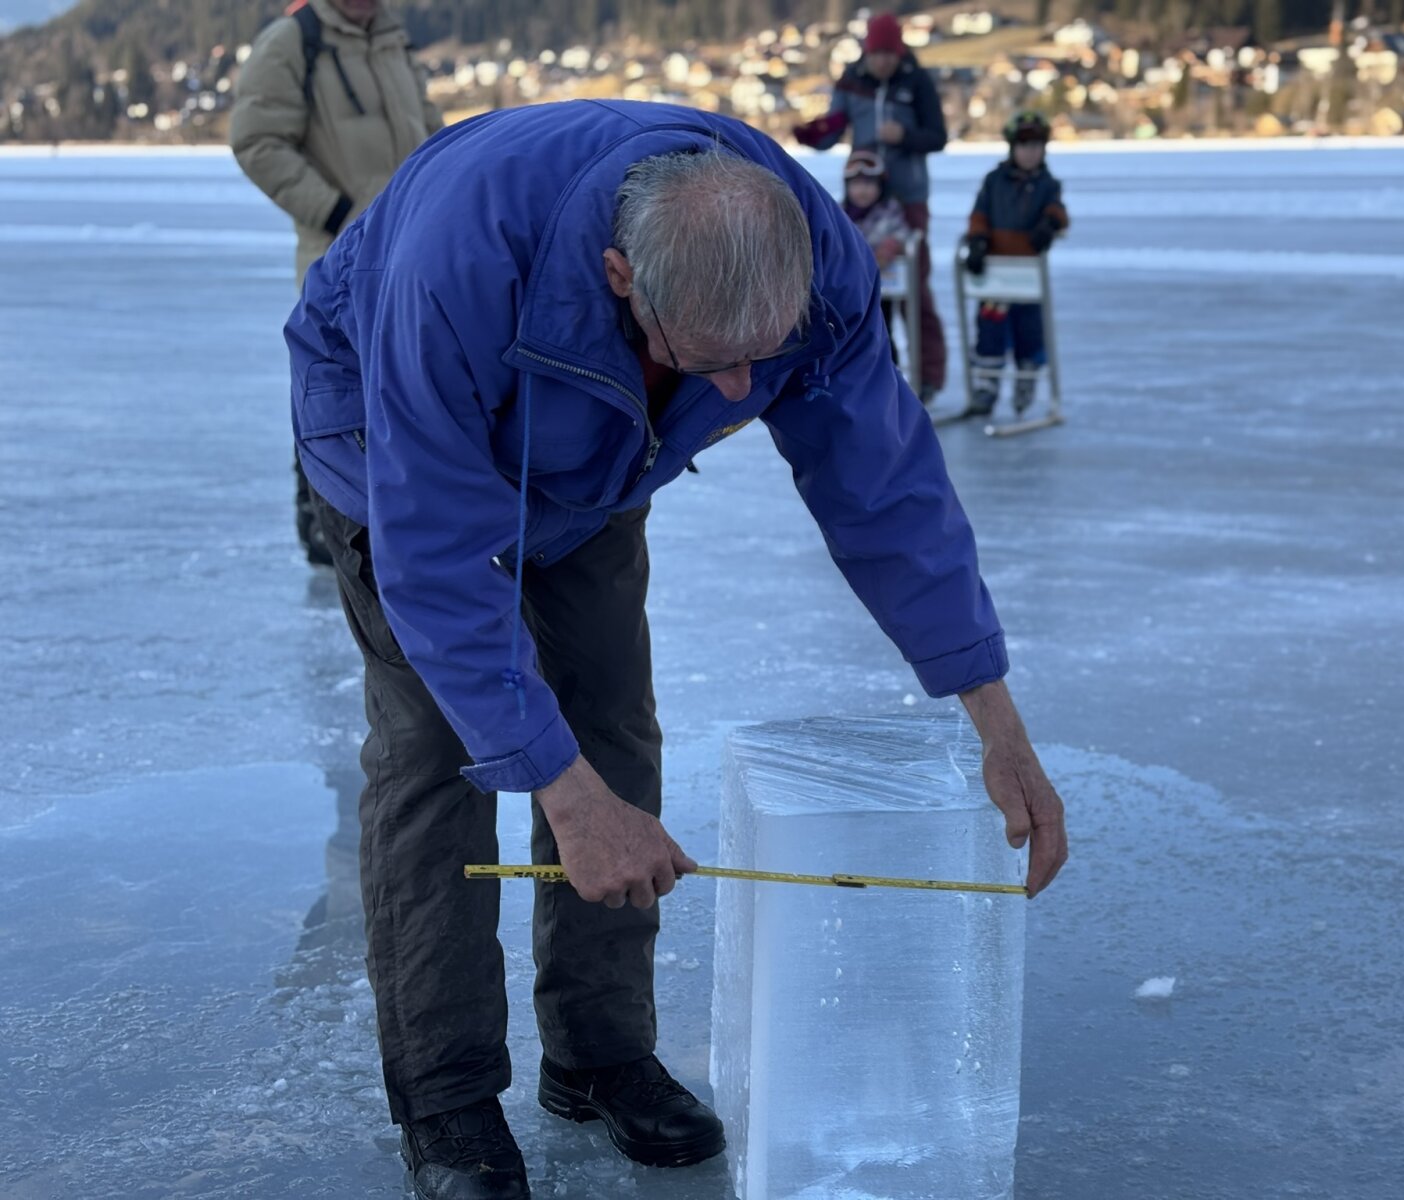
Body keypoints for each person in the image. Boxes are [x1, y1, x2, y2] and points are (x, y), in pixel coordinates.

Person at [285, 99, 1069, 1200]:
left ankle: (598, 1053)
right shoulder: (456, 269)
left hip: (597, 457)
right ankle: (448, 1097)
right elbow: (438, 565)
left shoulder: (810, 267)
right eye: (714, 365)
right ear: (620, 276)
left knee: (613, 731)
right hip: (387, 433)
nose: (743, 393)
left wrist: (994, 717)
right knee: (439, 757)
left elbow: (884, 488)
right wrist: (556, 790)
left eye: (761, 362)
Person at [229, 0, 442, 565]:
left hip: (412, 254)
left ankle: (406, 522)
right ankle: (328, 529)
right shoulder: (293, 40)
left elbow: (431, 135)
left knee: (407, 388)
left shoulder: (391, 39)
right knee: (337, 393)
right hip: (339, 262)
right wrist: (336, 213)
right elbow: (255, 141)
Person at [794, 11, 948, 404]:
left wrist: (905, 135)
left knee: (915, 288)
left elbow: (938, 136)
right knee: (862, 290)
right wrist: (813, 133)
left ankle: (929, 378)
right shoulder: (852, 80)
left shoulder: (916, 81)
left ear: (899, 53)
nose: (883, 62)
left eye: (889, 55)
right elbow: (835, 126)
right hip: (862, 200)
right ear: (867, 52)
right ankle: (870, 373)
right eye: (877, 54)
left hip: (907, 199)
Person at [961, 110, 1070, 419]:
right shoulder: (995, 181)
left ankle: (1026, 383)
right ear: (1012, 147)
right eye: (1024, 145)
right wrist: (978, 242)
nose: (1030, 152)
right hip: (995, 275)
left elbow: (1058, 212)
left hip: (1027, 276)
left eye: (1036, 145)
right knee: (990, 333)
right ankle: (987, 387)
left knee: (1029, 333)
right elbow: (979, 214)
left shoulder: (1048, 184)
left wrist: (1049, 225)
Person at [840, 148, 911, 358]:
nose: (863, 191)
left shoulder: (889, 210)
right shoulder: (840, 212)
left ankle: (889, 368)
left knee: (883, 331)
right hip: (850, 291)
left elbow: (902, 234)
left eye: (869, 184)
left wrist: (888, 248)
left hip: (882, 290)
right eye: (857, 184)